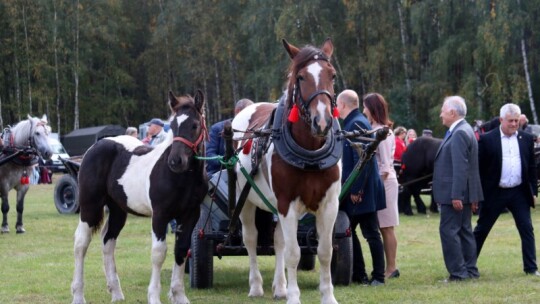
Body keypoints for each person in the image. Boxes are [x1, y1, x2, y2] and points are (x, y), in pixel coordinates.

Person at [473, 103, 540, 276]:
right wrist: (477, 194)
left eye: (516, 120)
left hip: (519, 192)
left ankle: (531, 268)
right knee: (482, 229)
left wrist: (533, 192)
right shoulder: (487, 139)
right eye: (510, 120)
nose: (514, 124)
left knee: (527, 228)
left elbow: (532, 167)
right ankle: (468, 265)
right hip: (495, 192)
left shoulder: (526, 139)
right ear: (501, 120)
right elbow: (479, 169)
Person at [336, 89, 386, 286]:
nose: (336, 109)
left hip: (361, 190)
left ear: (343, 105)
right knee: (351, 231)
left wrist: (357, 189)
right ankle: (360, 274)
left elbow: (362, 159)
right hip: (358, 189)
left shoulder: (355, 123)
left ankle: (378, 277)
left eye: (337, 105)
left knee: (370, 233)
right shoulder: (353, 121)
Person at [433, 95, 483, 282]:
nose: (441, 115)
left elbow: (461, 168)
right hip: (463, 192)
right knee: (464, 231)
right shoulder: (465, 129)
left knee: (449, 232)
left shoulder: (460, 132)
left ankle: (458, 273)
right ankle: (470, 270)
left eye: (443, 111)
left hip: (454, 194)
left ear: (452, 113)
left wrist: (456, 195)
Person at [362, 93, 400, 279]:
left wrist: (375, 189)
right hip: (381, 183)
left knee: (386, 227)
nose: (363, 111)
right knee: (383, 227)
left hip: (385, 184)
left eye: (365, 107)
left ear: (372, 108)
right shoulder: (375, 129)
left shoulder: (382, 132)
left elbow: (384, 166)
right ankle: (389, 266)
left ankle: (391, 267)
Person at [206, 98, 254, 175]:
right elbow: (209, 154)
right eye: (249, 112)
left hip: (246, 173)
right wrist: (224, 161)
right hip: (219, 173)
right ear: (238, 111)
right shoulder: (217, 128)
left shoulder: (253, 131)